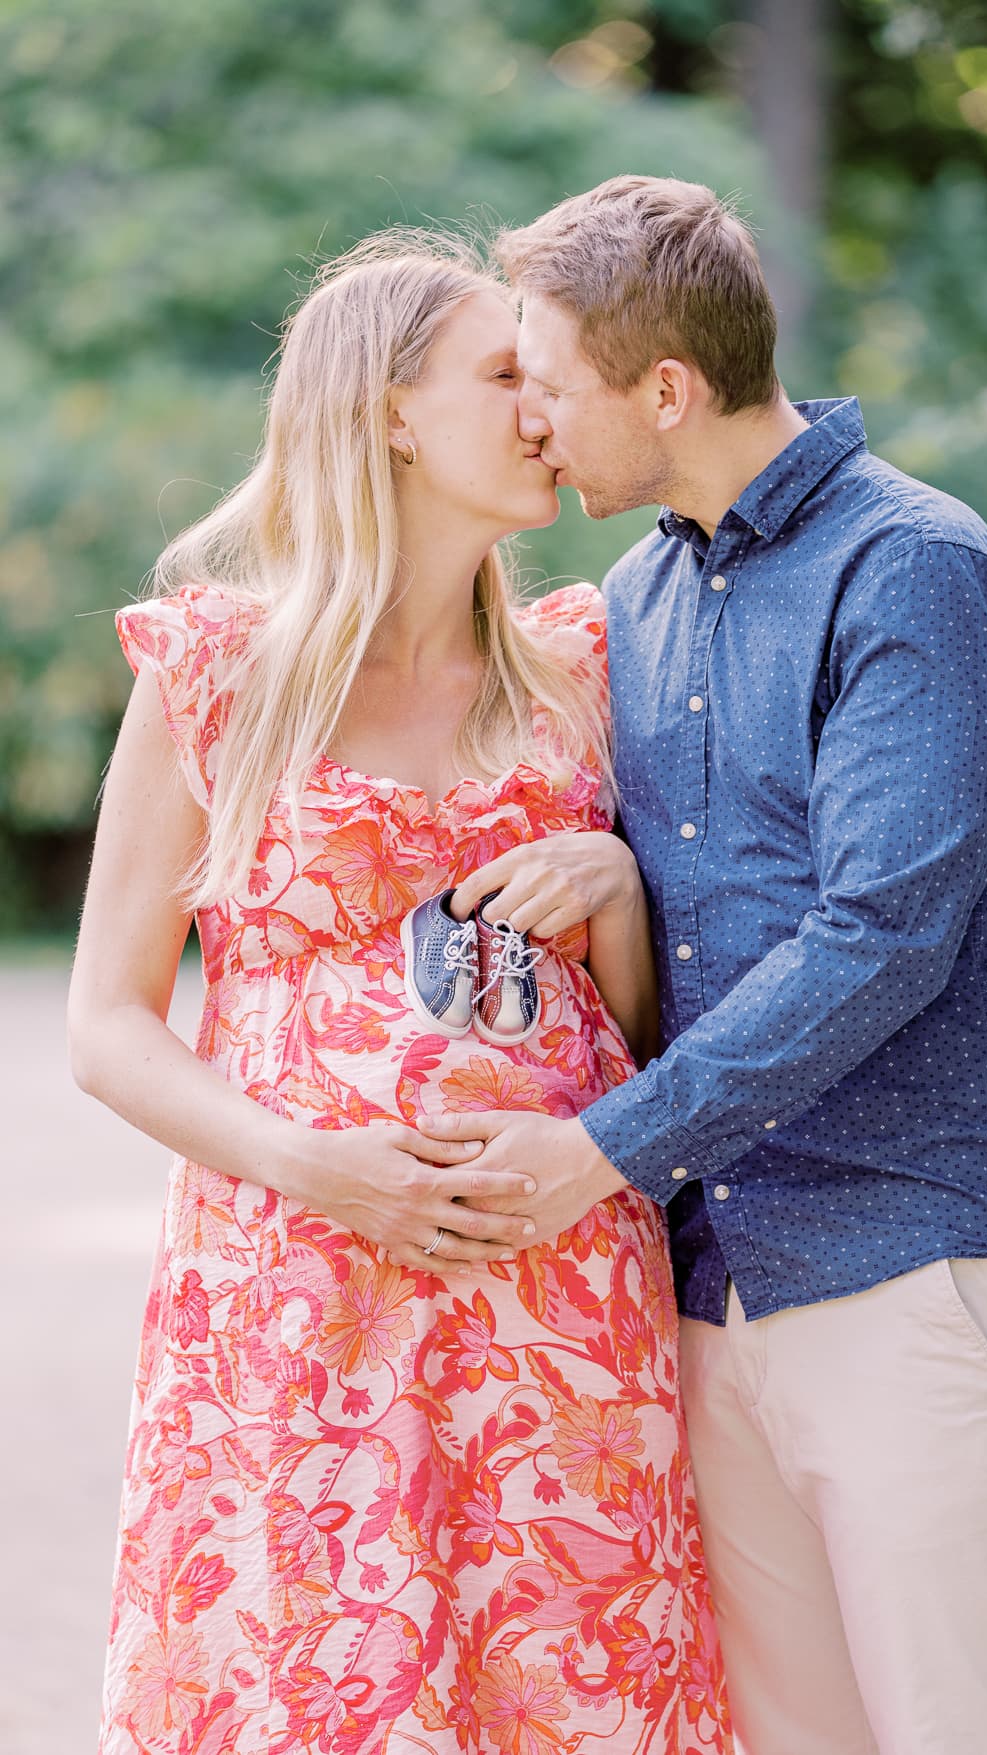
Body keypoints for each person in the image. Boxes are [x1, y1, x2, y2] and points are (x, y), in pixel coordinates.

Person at [421, 177, 987, 1755]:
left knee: (964, 1732)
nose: (532, 422)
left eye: (550, 382)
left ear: (665, 389)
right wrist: (613, 878)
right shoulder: (645, 598)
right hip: (719, 1288)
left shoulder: (911, 569)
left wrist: (596, 1151)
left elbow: (878, 938)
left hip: (918, 1262)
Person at [68, 232, 731, 1755]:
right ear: (384, 410)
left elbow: (640, 1037)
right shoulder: (219, 674)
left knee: (570, 1692)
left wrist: (617, 892)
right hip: (297, 1288)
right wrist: (313, 1167)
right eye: (506, 375)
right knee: (309, 1694)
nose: (545, 411)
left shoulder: (582, 669)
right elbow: (106, 1023)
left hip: (556, 1294)